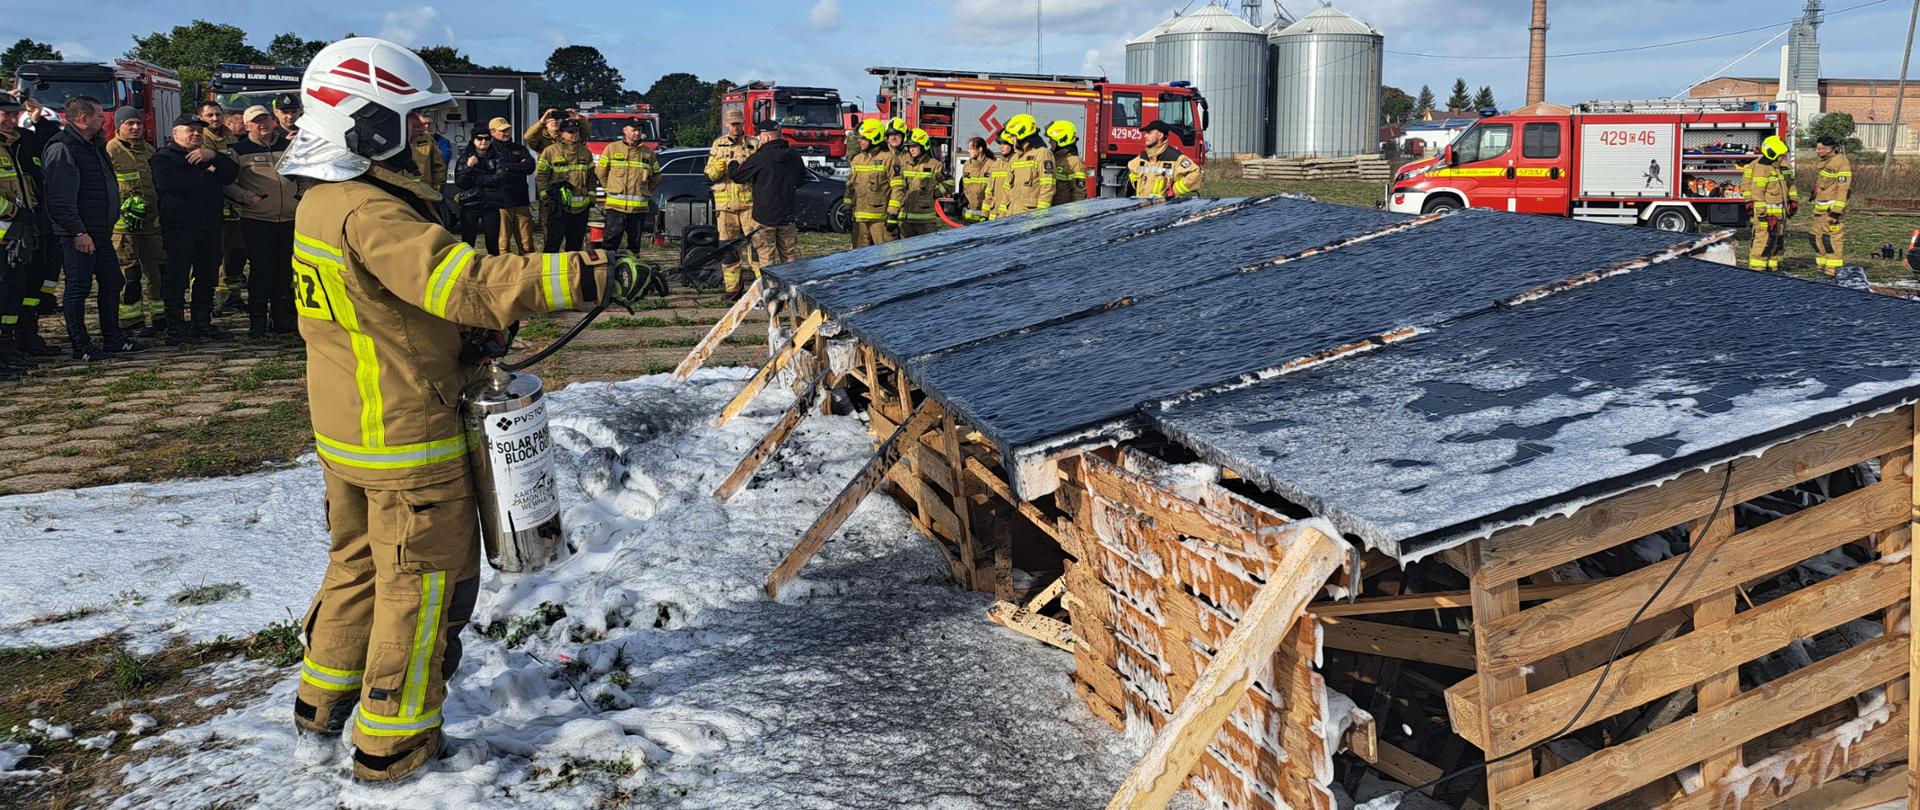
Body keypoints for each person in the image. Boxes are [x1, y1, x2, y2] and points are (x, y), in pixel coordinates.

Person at [281, 37, 656, 784]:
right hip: (407, 437)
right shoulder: (369, 210)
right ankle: (396, 748)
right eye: (410, 122)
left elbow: (391, 312)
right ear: (366, 124)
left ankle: (317, 715)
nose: (425, 135)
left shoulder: (321, 202)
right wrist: (592, 275)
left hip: (350, 431)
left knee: (355, 567)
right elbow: (474, 283)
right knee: (422, 589)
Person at [43, 96, 150, 360]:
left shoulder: (93, 145)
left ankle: (113, 338)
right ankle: (81, 346)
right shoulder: (63, 148)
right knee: (78, 288)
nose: (104, 120)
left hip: (100, 231)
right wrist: (78, 232)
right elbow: (59, 198)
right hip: (79, 234)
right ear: (82, 119)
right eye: (100, 116)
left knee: (113, 281)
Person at [150, 114, 239, 343]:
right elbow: (172, 184)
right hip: (179, 226)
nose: (196, 134)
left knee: (207, 276)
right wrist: (206, 176)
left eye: (199, 131)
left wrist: (214, 156)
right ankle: (176, 328)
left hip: (209, 226)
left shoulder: (207, 156)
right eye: (190, 130)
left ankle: (202, 323)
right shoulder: (164, 157)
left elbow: (230, 174)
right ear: (176, 133)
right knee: (177, 278)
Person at [227, 105, 299, 337]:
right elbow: (227, 182)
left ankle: (282, 319)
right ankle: (257, 321)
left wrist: (302, 195)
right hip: (257, 219)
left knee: (284, 270)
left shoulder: (288, 146)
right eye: (256, 121)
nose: (262, 124)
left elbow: (304, 174)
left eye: (265, 119)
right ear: (246, 126)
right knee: (261, 270)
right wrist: (245, 197)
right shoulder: (239, 150)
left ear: (273, 120)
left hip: (289, 218)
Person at [0, 93, 60, 367]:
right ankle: (5, 346)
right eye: (6, 115)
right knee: (7, 291)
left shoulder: (20, 142)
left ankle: (25, 337)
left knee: (28, 287)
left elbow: (47, 142)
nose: (12, 120)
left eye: (16, 115)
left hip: (28, 230)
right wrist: (13, 213)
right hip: (7, 230)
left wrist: (40, 120)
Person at [728, 118, 809, 284]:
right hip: (787, 216)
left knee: (767, 259)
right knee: (789, 257)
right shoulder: (794, 156)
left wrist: (733, 163)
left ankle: (771, 294)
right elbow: (801, 181)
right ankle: (793, 294)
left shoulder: (760, 157)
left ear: (765, 138)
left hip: (764, 218)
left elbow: (738, 176)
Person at [106, 107, 164, 335]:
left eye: (138, 124)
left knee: (158, 271)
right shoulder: (109, 151)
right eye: (129, 123)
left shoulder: (149, 151)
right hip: (124, 228)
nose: (135, 128)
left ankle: (161, 317)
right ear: (118, 126)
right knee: (130, 275)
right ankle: (131, 322)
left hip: (151, 226)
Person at [705, 109, 758, 294]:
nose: (736, 127)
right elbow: (710, 174)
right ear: (726, 124)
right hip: (725, 207)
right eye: (732, 124)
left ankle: (762, 289)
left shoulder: (753, 144)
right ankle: (733, 290)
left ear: (743, 123)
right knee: (728, 249)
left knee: (757, 247)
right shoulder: (718, 144)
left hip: (749, 206)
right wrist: (719, 168)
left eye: (738, 124)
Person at [596, 117, 660, 252]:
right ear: (625, 130)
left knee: (635, 243)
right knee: (611, 241)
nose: (637, 133)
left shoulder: (648, 153)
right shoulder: (612, 149)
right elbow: (601, 172)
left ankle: (633, 269)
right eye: (634, 130)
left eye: (639, 130)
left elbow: (656, 176)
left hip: (638, 209)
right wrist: (609, 189)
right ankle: (608, 270)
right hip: (615, 207)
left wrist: (645, 191)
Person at [534, 118, 594, 251]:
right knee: (553, 244)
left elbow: (591, 178)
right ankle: (549, 271)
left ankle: (572, 271)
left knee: (575, 246)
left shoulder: (585, 152)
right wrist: (545, 197)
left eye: (576, 131)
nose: (574, 134)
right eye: (570, 132)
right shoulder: (550, 151)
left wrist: (591, 196)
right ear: (561, 133)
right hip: (558, 208)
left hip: (581, 208)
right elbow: (541, 176)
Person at [1741, 134, 1793, 272]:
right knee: (1762, 241)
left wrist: (1793, 201)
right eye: (1781, 155)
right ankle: (1757, 270)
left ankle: (1772, 267)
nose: (1783, 158)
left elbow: (1788, 186)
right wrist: (1762, 213)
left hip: (1778, 214)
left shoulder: (1776, 167)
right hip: (1767, 215)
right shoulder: (1760, 168)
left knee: (1775, 242)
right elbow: (1756, 192)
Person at [454, 129, 508, 254]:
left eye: (487, 138)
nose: (484, 141)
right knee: (467, 243)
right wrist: (468, 167)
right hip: (470, 204)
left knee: (493, 243)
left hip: (491, 205)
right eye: (479, 138)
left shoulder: (498, 156)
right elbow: (460, 182)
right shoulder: (465, 157)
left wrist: (477, 178)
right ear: (473, 140)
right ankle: (467, 269)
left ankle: (494, 270)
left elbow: (500, 179)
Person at [487, 117, 536, 254]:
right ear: (492, 132)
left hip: (521, 200)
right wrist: (518, 166)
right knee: (503, 242)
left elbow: (530, 166)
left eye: (508, 129)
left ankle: (529, 269)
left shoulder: (519, 148)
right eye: (502, 130)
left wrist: (508, 167)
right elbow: (495, 170)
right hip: (501, 202)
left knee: (527, 242)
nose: (507, 133)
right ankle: (503, 271)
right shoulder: (489, 150)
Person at [890, 128, 951, 238]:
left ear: (923, 146)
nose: (911, 149)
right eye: (909, 147)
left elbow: (951, 183)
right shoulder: (903, 164)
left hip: (926, 221)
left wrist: (935, 193)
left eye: (914, 146)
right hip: (905, 220)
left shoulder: (934, 165)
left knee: (927, 253)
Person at [846, 118, 896, 247]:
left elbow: (898, 189)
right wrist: (846, 209)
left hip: (879, 220)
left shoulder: (888, 159)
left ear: (874, 137)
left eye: (863, 138)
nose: (859, 140)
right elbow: (850, 187)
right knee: (860, 259)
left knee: (884, 257)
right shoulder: (857, 159)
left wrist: (893, 214)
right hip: (859, 220)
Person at [1127, 121, 1201, 199]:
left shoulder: (1175, 158)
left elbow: (1196, 174)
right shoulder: (1143, 156)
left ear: (1160, 135)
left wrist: (1175, 190)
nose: (1145, 136)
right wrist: (1136, 182)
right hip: (1143, 208)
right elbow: (1131, 170)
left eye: (1149, 133)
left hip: (1164, 209)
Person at [1811, 134, 1852, 276]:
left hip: (1831, 212)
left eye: (1820, 149)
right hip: (1820, 210)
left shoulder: (1841, 162)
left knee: (1832, 241)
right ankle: (1821, 268)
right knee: (1818, 239)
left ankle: (1832, 271)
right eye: (1817, 148)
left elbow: (1843, 188)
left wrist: (1836, 212)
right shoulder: (1826, 162)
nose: (1818, 151)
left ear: (1830, 149)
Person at [1001, 114, 1055, 216]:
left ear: (1021, 134)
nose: (1010, 139)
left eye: (1013, 136)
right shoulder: (1014, 158)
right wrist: (1001, 217)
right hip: (1012, 215)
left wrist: (1041, 216)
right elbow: (1006, 190)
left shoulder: (1042, 153)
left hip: (1030, 216)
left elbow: (1047, 187)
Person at [1047, 120, 1089, 206]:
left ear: (1062, 140)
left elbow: (1079, 194)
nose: (1049, 141)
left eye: (1052, 139)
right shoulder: (1055, 158)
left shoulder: (1075, 162)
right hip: (1052, 211)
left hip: (1061, 213)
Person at [959, 137, 993, 223]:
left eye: (971, 148)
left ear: (980, 149)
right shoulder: (967, 165)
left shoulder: (992, 165)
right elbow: (964, 187)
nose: (968, 151)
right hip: (968, 214)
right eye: (968, 149)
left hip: (985, 216)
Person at [986, 134, 1015, 220]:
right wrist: (984, 214)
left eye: (1004, 144)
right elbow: (989, 191)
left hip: (1009, 215)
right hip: (993, 215)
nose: (1001, 147)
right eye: (1000, 144)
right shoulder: (996, 164)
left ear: (1012, 145)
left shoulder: (1016, 164)